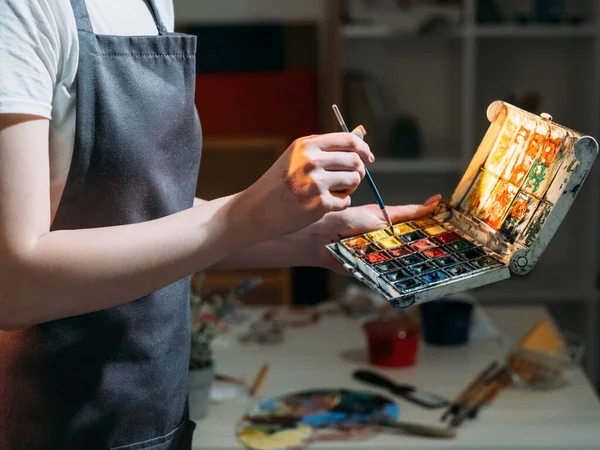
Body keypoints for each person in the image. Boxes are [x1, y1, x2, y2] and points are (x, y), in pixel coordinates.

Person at [0, 1, 440, 449]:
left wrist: (318, 239)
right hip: (51, 425)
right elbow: (13, 285)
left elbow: (146, 220)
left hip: (156, 421)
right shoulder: (22, 11)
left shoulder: (153, 7)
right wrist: (243, 212)